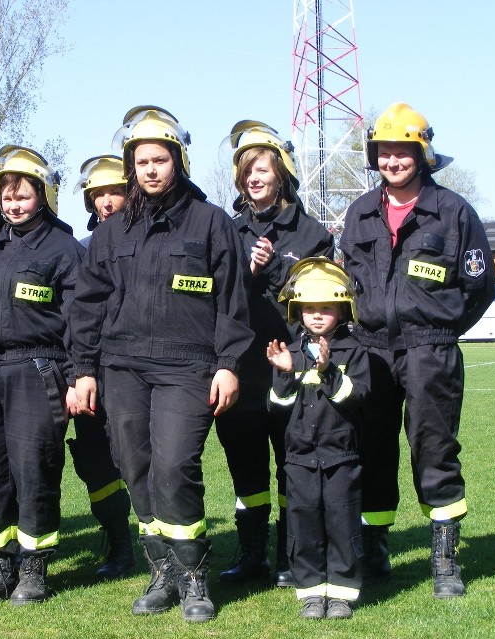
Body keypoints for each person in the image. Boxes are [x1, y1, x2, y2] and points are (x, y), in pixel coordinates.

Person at [71, 106, 253, 622]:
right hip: (121, 367)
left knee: (174, 466)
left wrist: (229, 363)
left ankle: (195, 575)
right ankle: (162, 571)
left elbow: (232, 303)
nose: (150, 169)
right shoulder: (111, 233)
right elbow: (88, 304)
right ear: (131, 167)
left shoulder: (211, 222)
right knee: (136, 468)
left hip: (187, 367)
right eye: (141, 161)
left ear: (178, 161)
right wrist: (83, 369)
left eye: (160, 159)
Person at [340, 102, 495, 598]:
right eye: (384, 153)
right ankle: (374, 548)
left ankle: (446, 561)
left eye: (403, 152)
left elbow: (480, 286)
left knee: (435, 449)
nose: (393, 161)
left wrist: (443, 329)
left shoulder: (453, 212)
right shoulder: (360, 212)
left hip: (430, 351)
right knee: (372, 450)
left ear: (422, 155)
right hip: (371, 353)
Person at [0, 146, 83, 606]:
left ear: (42, 197)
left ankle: (32, 569)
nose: (13, 204)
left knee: (34, 471)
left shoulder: (63, 249)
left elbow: (79, 321)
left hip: (35, 368)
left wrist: (76, 376)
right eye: (7, 197)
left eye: (23, 196)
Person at [214, 121, 333, 587]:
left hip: (292, 367)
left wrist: (278, 275)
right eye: (247, 172)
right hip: (241, 368)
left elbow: (320, 304)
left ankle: (289, 556)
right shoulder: (225, 229)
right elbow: (216, 295)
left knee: (294, 462)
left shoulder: (311, 234)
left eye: (262, 170)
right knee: (245, 467)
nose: (254, 179)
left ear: (280, 174)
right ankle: (251, 555)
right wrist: (246, 269)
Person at [267, 257, 369, 620]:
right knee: (303, 526)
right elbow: (278, 407)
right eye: (309, 309)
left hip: (341, 458)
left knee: (342, 524)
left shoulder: (354, 352)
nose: (317, 316)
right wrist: (283, 375)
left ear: (343, 311)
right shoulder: (289, 354)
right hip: (299, 460)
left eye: (326, 308)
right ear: (298, 312)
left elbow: (357, 398)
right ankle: (310, 592)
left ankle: (341, 592)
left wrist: (328, 373)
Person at [65, 154, 136, 580]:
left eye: (114, 192)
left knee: (145, 460)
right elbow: (77, 318)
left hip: (139, 370)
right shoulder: (84, 251)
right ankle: (119, 543)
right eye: (98, 195)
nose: (106, 202)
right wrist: (78, 374)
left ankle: (166, 549)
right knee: (95, 460)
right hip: (94, 372)